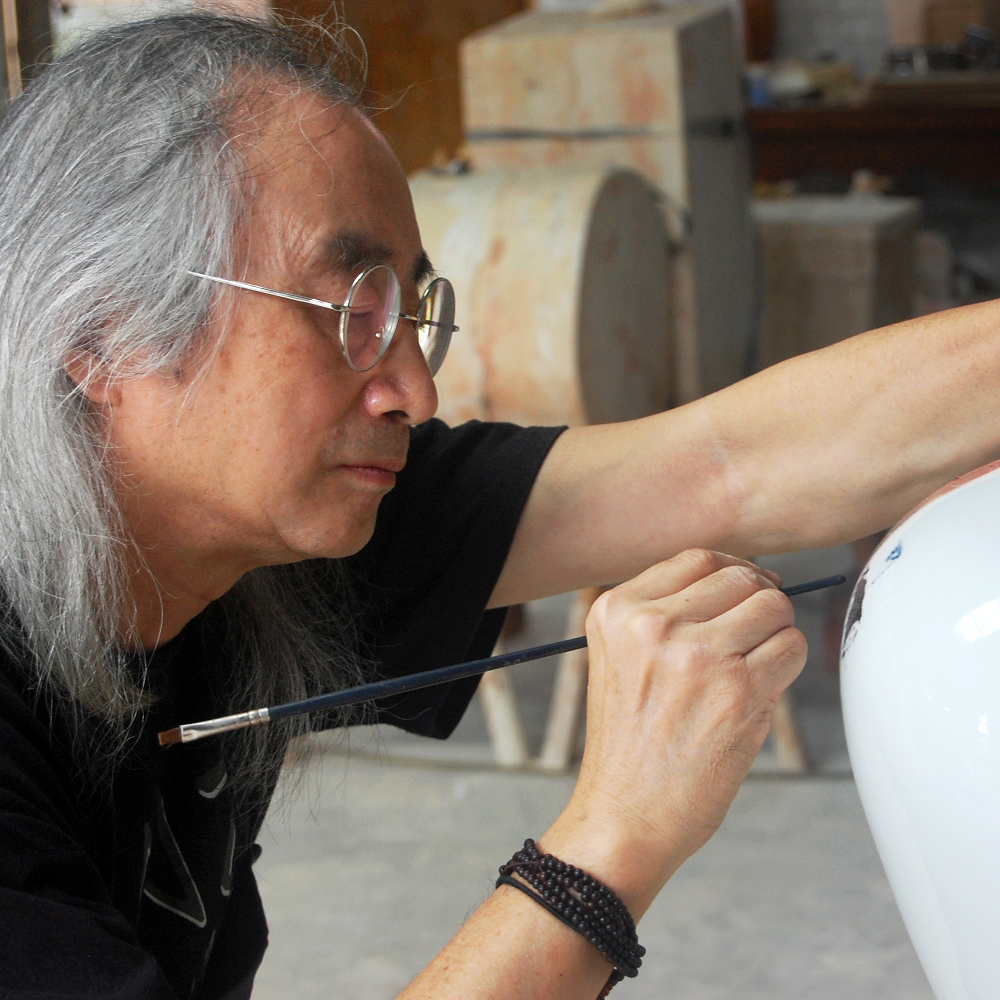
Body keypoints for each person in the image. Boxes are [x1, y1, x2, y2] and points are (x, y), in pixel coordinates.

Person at [1, 12, 999, 1000]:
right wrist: (613, 836)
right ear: (106, 335)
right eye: (351, 314)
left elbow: (724, 465)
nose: (414, 390)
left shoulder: (260, 530)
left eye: (410, 315)